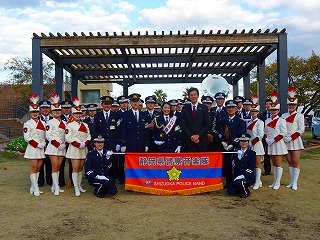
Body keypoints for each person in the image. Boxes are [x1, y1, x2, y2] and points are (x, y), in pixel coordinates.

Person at [65, 97, 91, 196]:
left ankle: (79, 185)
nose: (78, 115)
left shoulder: (85, 124)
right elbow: (68, 138)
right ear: (73, 114)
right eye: (76, 113)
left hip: (83, 148)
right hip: (74, 148)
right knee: (75, 168)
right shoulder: (69, 125)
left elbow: (89, 135)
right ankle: (75, 187)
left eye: (79, 113)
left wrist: (85, 143)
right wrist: (77, 144)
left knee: (81, 168)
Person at [217, 100, 246, 187]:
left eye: (233, 108)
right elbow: (220, 132)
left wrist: (232, 144)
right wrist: (222, 141)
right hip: (225, 147)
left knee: (237, 165)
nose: (231, 110)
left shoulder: (241, 121)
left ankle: (237, 183)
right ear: (226, 110)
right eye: (229, 108)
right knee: (227, 165)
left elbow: (240, 135)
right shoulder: (223, 120)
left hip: (236, 147)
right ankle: (229, 183)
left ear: (236, 110)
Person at [92, 96, 120, 181]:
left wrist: (119, 142)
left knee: (113, 162)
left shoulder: (116, 115)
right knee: (102, 162)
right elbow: (95, 130)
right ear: (102, 104)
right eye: (105, 104)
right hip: (101, 143)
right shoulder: (97, 115)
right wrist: (95, 143)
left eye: (109, 104)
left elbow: (118, 130)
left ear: (111, 105)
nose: (107, 106)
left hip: (113, 143)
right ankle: (102, 179)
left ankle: (113, 180)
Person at [282, 87, 305, 190]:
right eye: (290, 105)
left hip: (295, 140)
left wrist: (291, 137)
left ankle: (295, 182)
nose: (291, 106)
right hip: (285, 140)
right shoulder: (283, 115)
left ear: (296, 106)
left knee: (295, 160)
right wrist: (284, 137)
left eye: (293, 105)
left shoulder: (300, 116)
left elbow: (301, 129)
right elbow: (280, 128)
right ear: (287, 105)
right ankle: (291, 181)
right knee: (289, 161)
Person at [23, 94, 46, 197]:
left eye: (36, 112)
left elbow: (46, 134)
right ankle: (36, 188)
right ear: (30, 112)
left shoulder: (43, 123)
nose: (35, 114)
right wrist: (38, 144)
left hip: (41, 148)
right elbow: (27, 137)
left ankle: (33, 187)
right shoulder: (27, 124)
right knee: (34, 168)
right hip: (33, 148)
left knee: (38, 169)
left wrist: (44, 142)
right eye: (33, 112)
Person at [264, 92, 288, 190]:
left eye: (275, 110)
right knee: (273, 162)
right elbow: (265, 131)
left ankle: (278, 182)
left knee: (278, 163)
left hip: (277, 143)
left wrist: (274, 140)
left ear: (278, 110)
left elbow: (283, 132)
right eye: (272, 110)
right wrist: (267, 139)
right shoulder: (267, 120)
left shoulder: (282, 120)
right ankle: (274, 180)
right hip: (269, 143)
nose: (273, 111)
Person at [45, 93, 66, 196]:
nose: (57, 112)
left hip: (62, 147)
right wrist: (57, 144)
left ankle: (55, 185)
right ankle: (56, 186)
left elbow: (67, 135)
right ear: (52, 112)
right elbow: (48, 136)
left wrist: (64, 144)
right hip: (53, 147)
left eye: (58, 110)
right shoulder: (50, 122)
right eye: (55, 111)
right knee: (54, 166)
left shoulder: (65, 123)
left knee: (59, 167)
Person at [180, 87, 210, 152]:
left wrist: (198, 136)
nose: (193, 96)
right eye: (191, 95)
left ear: (198, 96)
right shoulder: (185, 108)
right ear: (189, 97)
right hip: (189, 141)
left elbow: (207, 124)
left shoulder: (204, 108)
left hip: (201, 141)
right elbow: (183, 125)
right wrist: (191, 136)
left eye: (195, 94)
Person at [227, 134, 256, 198]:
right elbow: (233, 165)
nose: (243, 143)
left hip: (248, 176)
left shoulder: (252, 153)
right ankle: (240, 187)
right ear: (239, 142)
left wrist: (243, 176)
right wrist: (238, 157)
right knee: (230, 191)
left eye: (245, 141)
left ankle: (246, 192)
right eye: (242, 141)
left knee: (239, 182)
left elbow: (251, 168)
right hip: (237, 176)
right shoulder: (235, 152)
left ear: (248, 142)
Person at [246, 94, 265, 190]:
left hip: (257, 144)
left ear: (258, 112)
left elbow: (260, 135)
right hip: (249, 145)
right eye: (252, 111)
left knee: (257, 164)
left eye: (255, 111)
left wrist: (252, 142)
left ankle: (257, 182)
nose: (253, 113)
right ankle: (257, 181)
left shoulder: (260, 122)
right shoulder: (249, 122)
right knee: (252, 164)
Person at [38, 99, 53, 187]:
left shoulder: (53, 119)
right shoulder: (37, 119)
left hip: (50, 144)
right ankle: (40, 180)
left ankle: (49, 179)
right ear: (40, 109)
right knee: (40, 163)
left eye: (47, 108)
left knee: (49, 163)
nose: (45, 110)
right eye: (43, 108)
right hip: (40, 145)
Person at [259, 98, 273, 176]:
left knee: (275, 154)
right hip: (264, 137)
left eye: (270, 104)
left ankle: (277, 168)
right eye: (267, 104)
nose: (268, 105)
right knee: (266, 154)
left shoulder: (279, 115)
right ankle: (267, 169)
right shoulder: (261, 115)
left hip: (274, 137)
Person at [60, 100, 72, 186]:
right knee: (61, 163)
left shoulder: (74, 117)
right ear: (61, 109)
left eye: (68, 108)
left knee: (72, 162)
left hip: (71, 143)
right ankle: (61, 180)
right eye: (64, 108)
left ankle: (72, 180)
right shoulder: (58, 117)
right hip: (61, 143)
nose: (66, 109)